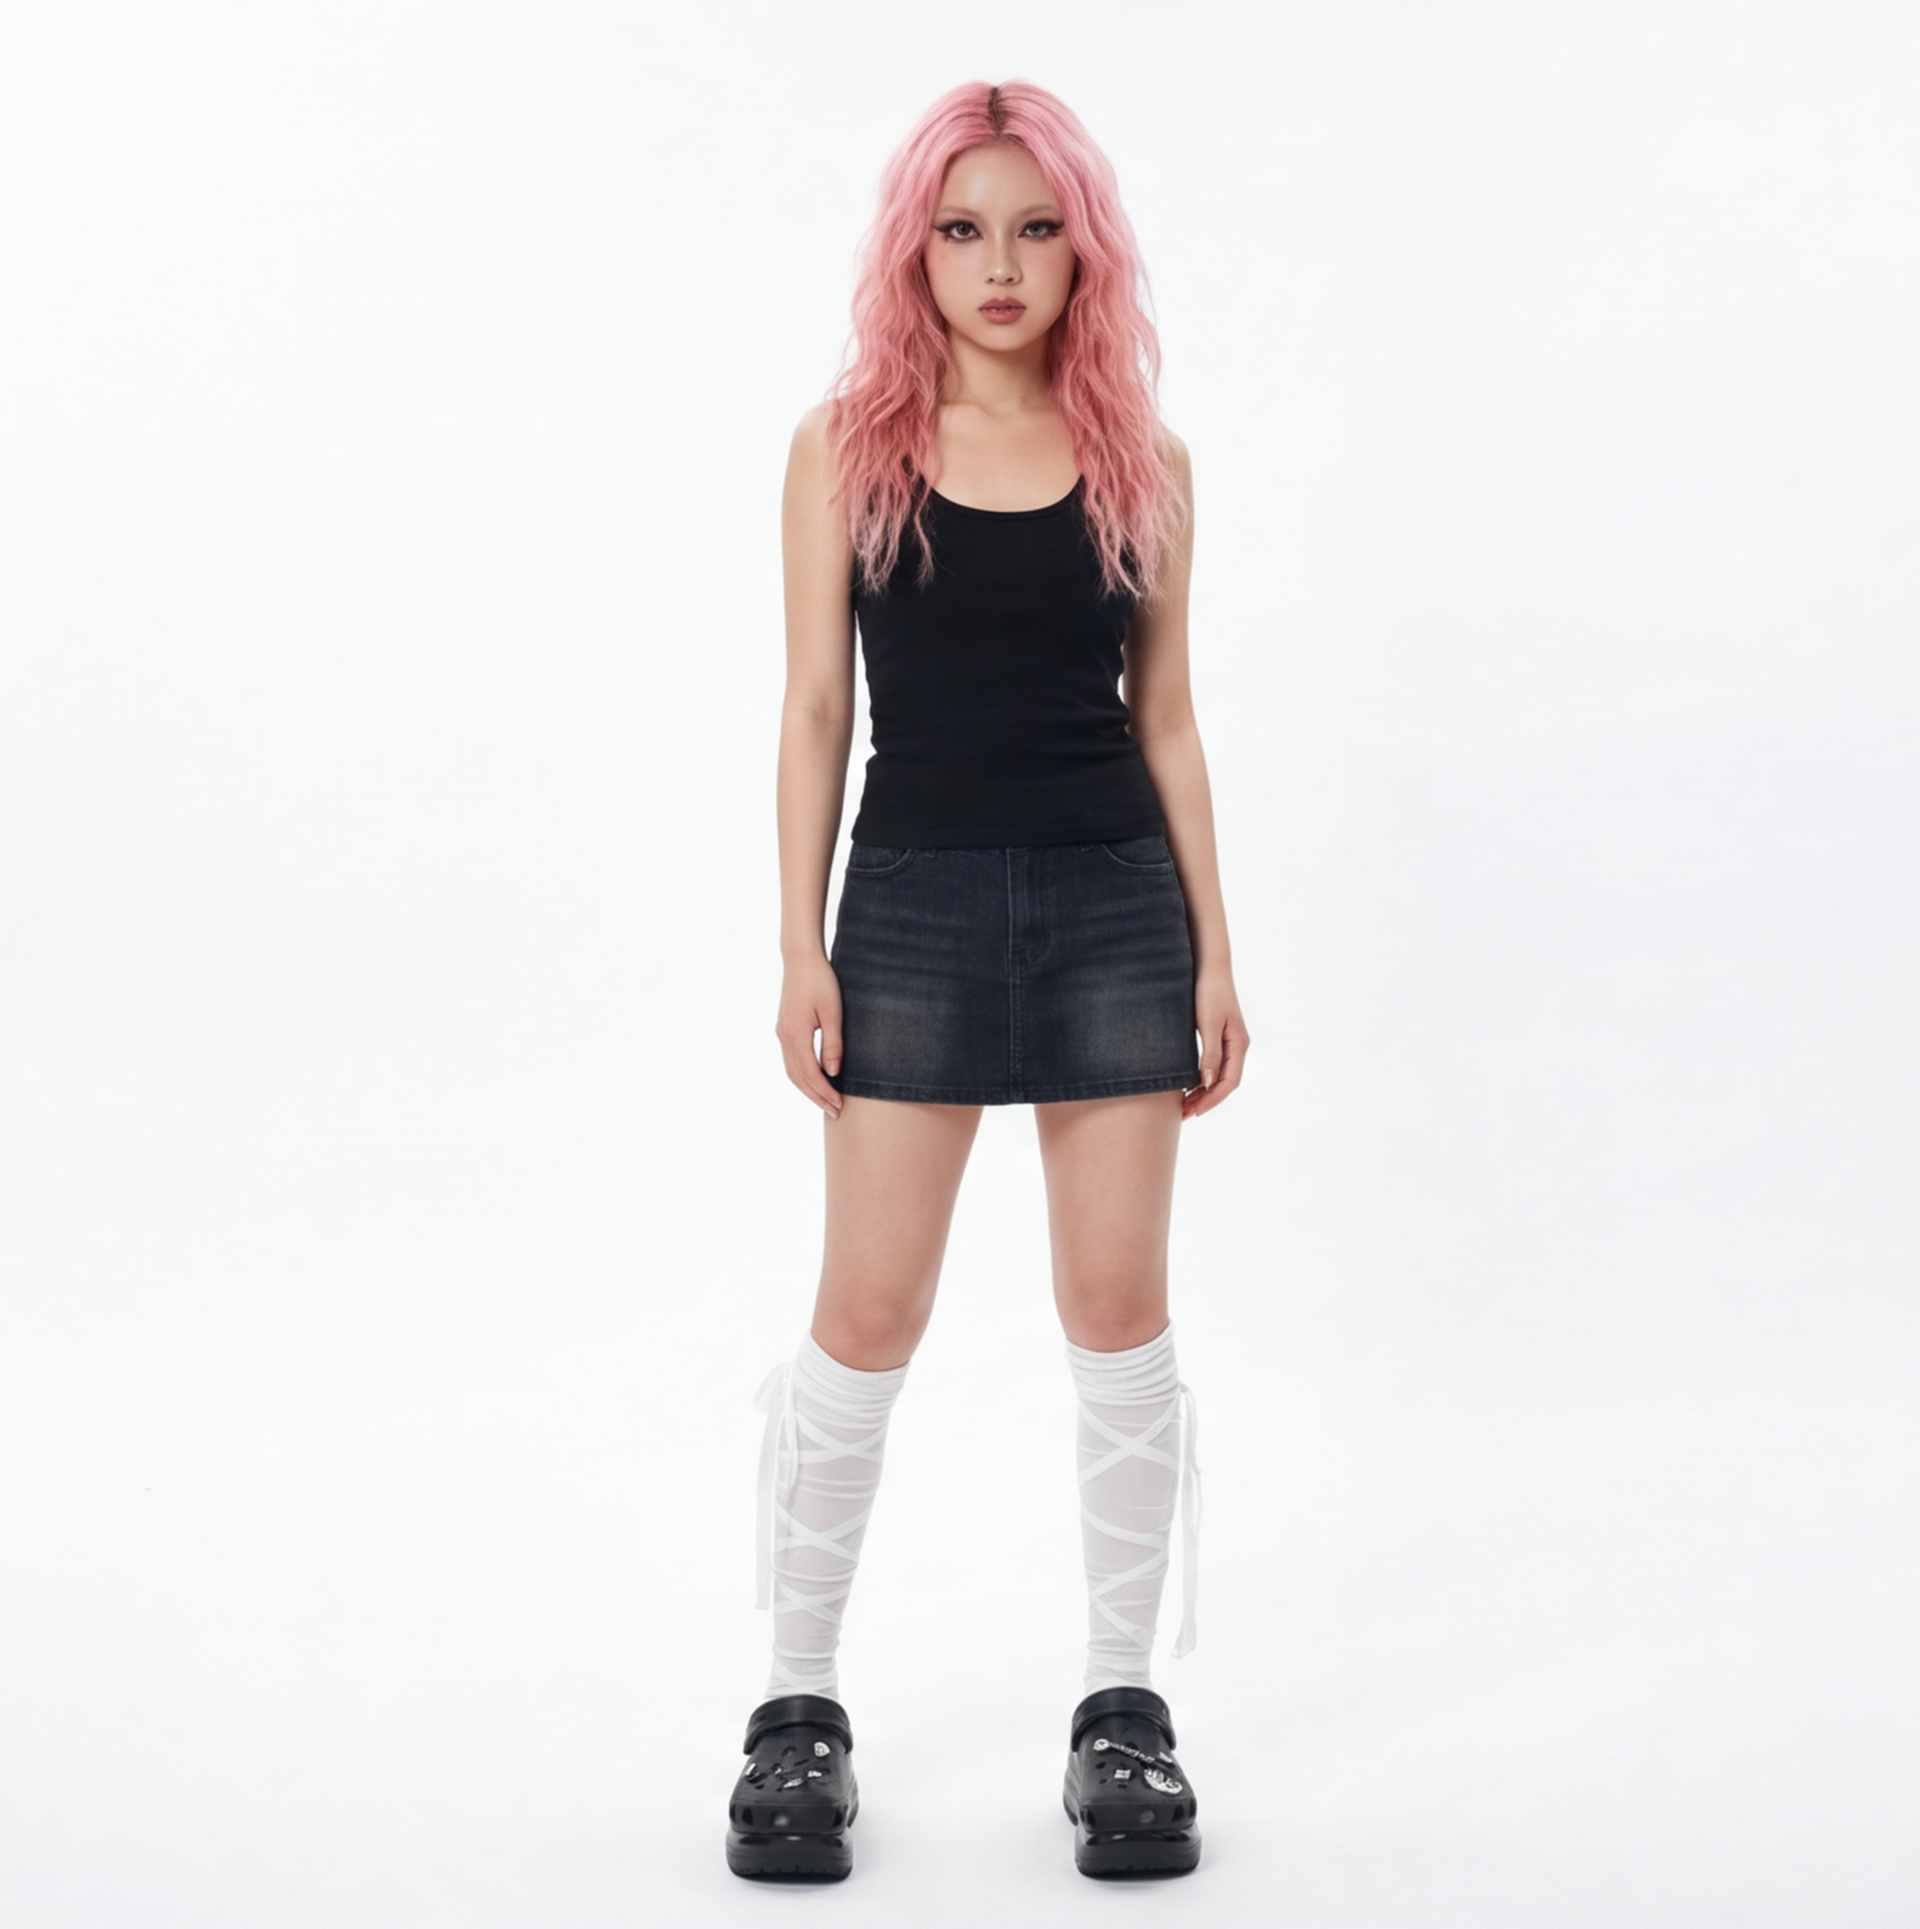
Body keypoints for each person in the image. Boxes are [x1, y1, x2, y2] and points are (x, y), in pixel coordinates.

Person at [727, 78, 1249, 1883]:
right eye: (962, 230)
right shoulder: (845, 448)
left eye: (1036, 228)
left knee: (1116, 1310)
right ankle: (793, 1708)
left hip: (1112, 902)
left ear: (1083, 248)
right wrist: (799, 941)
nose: (1000, 264)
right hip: (913, 905)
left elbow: (1166, 718)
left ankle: (1123, 1715)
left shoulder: (1146, 461)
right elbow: (815, 708)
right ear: (915, 252)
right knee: (866, 1313)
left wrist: (1214, 949)